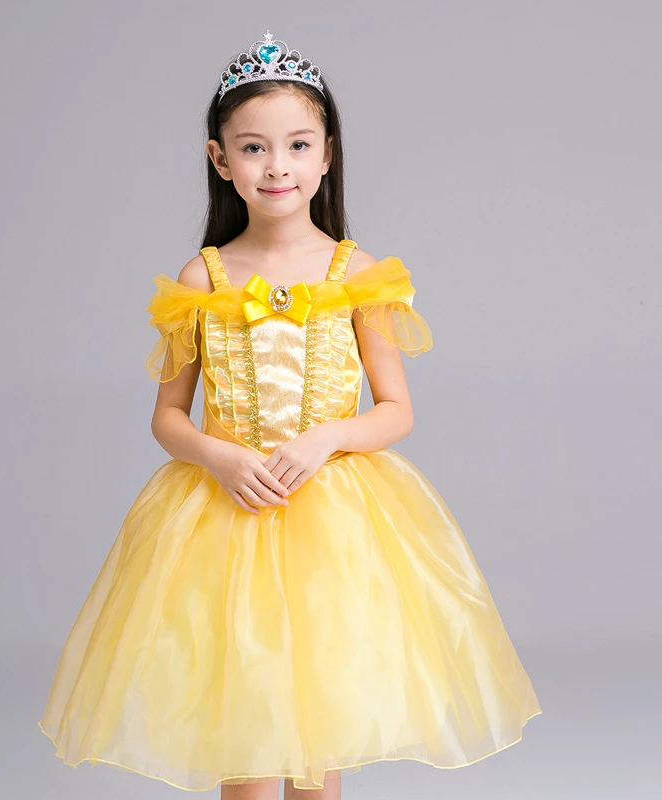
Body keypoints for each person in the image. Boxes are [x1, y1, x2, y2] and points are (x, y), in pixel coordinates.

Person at [38, 29, 542, 799]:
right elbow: (168, 416)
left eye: (298, 145)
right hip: (225, 521)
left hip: (332, 527)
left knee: (318, 732)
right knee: (245, 736)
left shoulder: (357, 273)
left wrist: (329, 438)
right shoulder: (201, 277)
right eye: (254, 149)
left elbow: (396, 409)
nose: (277, 167)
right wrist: (218, 455)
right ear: (220, 160)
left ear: (327, 155)